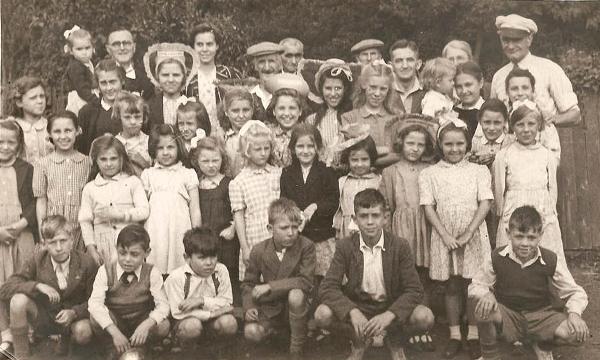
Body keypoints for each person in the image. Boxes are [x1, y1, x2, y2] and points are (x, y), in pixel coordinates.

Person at [315, 189, 435, 360]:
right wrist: (352, 311)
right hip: (360, 306)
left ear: (385, 218)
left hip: (390, 306)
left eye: (375, 215)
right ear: (355, 220)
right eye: (364, 216)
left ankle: (395, 340)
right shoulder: (345, 246)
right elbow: (327, 288)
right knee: (322, 314)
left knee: (425, 317)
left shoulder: (400, 246)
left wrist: (389, 315)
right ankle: (359, 341)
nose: (370, 222)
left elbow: (414, 290)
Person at [469, 206, 589, 360]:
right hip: (509, 315)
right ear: (508, 233)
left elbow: (575, 292)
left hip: (540, 316)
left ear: (540, 235)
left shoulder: (550, 259)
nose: (525, 243)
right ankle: (490, 356)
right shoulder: (497, 257)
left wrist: (574, 314)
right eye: (519, 236)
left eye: (531, 238)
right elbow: (475, 285)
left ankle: (541, 344)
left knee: (577, 335)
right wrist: (486, 294)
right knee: (482, 310)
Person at [419, 117, 493, 359]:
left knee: (473, 286)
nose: (455, 149)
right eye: (448, 144)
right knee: (451, 285)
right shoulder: (429, 173)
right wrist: (446, 235)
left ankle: (472, 334)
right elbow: (429, 207)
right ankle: (454, 335)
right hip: (445, 235)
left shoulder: (479, 171)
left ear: (467, 143)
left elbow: (485, 203)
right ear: (440, 145)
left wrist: (469, 232)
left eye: (460, 143)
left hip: (472, 233)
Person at [0, 215, 98, 360]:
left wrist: (74, 312)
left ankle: (69, 347)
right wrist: (37, 286)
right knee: (18, 300)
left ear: (71, 240)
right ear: (44, 244)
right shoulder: (37, 259)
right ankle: (21, 355)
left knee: (83, 331)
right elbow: (6, 288)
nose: (58, 248)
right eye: (52, 243)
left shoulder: (86, 263)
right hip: (45, 317)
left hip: (73, 321)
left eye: (63, 241)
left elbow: (96, 300)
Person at [490, 14, 581, 155]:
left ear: (529, 39)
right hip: (509, 154)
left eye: (516, 40)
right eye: (505, 40)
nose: (510, 46)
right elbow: (493, 117)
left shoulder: (549, 69)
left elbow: (575, 115)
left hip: (544, 153)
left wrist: (550, 119)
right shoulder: (499, 76)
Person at [242, 198, 316, 359]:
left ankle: (297, 347)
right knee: (251, 332)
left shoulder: (306, 246)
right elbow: (248, 283)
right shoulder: (259, 250)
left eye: (295, 227)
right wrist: (249, 307)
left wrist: (271, 286)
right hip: (271, 309)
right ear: (270, 228)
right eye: (284, 228)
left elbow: (306, 281)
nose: (291, 233)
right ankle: (276, 335)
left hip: (297, 308)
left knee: (296, 294)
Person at [493, 100, 564, 260]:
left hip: (541, 205)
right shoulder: (504, 155)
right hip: (514, 205)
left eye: (531, 124)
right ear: (512, 127)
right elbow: (499, 188)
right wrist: (501, 211)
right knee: (515, 246)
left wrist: (551, 211)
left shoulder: (547, 155)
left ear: (538, 126)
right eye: (520, 124)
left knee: (543, 245)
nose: (526, 129)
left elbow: (552, 187)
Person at [88, 224, 170, 359]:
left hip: (139, 321)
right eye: (122, 253)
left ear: (147, 253)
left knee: (163, 325)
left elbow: (163, 305)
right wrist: (115, 333)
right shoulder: (106, 270)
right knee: (95, 317)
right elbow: (94, 304)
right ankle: (112, 347)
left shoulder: (151, 272)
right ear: (116, 249)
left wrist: (146, 324)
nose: (127, 259)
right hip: (115, 322)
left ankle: (140, 347)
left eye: (134, 254)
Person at [164, 227, 237, 354]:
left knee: (229, 323)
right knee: (192, 326)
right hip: (185, 324)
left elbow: (227, 303)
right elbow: (178, 314)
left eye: (213, 256)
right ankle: (186, 353)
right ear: (187, 258)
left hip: (212, 322)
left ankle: (216, 353)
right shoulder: (177, 277)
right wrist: (211, 314)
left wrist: (202, 301)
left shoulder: (221, 270)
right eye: (202, 257)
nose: (209, 263)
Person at [79, 134, 149, 266]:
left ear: (122, 158)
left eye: (113, 158)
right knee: (107, 280)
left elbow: (144, 211)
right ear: (96, 160)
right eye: (103, 159)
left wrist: (121, 215)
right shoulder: (90, 188)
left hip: (131, 243)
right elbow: (85, 221)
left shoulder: (133, 182)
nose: (109, 164)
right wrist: (91, 248)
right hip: (103, 244)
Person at [281, 124, 339, 282]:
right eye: (300, 146)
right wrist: (297, 213)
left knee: (323, 279)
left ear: (318, 148)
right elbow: (284, 200)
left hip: (322, 236)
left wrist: (316, 206)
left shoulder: (326, 171)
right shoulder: (287, 173)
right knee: (302, 279)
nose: (305, 151)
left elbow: (333, 200)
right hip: (298, 236)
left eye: (310, 146)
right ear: (293, 148)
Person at [142, 124, 201, 275]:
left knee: (180, 269)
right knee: (155, 269)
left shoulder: (188, 174)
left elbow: (195, 208)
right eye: (160, 148)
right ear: (153, 150)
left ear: (178, 147)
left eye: (170, 147)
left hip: (179, 227)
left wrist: (197, 234)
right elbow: (142, 208)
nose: (165, 152)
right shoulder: (148, 174)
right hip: (156, 229)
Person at [229, 120, 281, 281]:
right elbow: (238, 217)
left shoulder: (277, 174)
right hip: (254, 237)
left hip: (277, 234)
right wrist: (244, 247)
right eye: (257, 149)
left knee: (278, 279)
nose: (263, 153)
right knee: (256, 282)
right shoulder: (238, 182)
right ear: (247, 151)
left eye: (266, 148)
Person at [190, 137, 240, 303]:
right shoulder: (196, 185)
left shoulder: (228, 183)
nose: (211, 165)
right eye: (205, 161)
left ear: (222, 160)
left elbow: (238, 209)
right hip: (206, 238)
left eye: (215, 160)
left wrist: (233, 228)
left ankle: (230, 306)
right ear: (197, 162)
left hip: (225, 239)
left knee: (227, 271)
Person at [33, 111, 91, 249]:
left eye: (68, 130)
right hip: (53, 232)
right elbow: (41, 200)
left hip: (80, 230)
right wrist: (43, 236)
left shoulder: (88, 163)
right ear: (50, 134)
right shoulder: (42, 164)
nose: (63, 136)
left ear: (77, 131)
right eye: (57, 131)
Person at [470, 99, 512, 250]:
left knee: (500, 221)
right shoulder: (476, 141)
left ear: (505, 122)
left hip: (502, 188)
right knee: (485, 224)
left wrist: (495, 157)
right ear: (480, 121)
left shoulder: (509, 140)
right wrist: (474, 159)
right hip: (483, 190)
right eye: (487, 122)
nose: (492, 128)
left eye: (497, 123)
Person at [186, 23, 242, 134]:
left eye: (209, 44)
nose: (205, 49)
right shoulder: (187, 78)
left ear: (217, 46)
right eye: (200, 44)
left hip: (227, 133)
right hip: (196, 136)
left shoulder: (230, 74)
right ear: (193, 47)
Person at [0, 119, 36, 289]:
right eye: (1, 142)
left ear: (19, 144)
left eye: (11, 142)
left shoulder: (27, 169)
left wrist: (19, 226)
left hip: (21, 233)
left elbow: (34, 202)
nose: (5, 147)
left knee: (21, 281)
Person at [342, 63, 399, 167]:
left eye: (383, 89)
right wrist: (387, 150)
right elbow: (353, 154)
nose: (377, 93)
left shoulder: (396, 119)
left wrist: (370, 154)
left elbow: (400, 155)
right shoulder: (349, 118)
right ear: (364, 85)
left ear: (389, 90)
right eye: (373, 87)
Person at [505, 67, 561, 163]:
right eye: (514, 89)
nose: (520, 93)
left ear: (533, 90)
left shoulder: (544, 120)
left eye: (525, 88)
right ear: (507, 92)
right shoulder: (502, 120)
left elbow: (554, 158)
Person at [333, 134, 381, 240]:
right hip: (347, 230)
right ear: (348, 160)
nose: (359, 164)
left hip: (371, 228)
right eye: (354, 160)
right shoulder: (342, 182)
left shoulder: (378, 181)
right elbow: (339, 210)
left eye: (364, 159)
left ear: (371, 159)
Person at [306, 59, 353, 167]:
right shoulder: (312, 120)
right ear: (321, 89)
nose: (333, 93)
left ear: (345, 89)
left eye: (338, 88)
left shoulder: (352, 116)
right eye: (328, 88)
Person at [77, 59, 126, 155]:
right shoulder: (87, 112)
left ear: (122, 81)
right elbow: (82, 148)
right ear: (98, 85)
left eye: (113, 82)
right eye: (103, 83)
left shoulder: (133, 108)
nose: (109, 88)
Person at [145, 46, 195, 132]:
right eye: (165, 75)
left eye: (176, 75)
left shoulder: (193, 104)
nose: (171, 80)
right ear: (157, 77)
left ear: (184, 77)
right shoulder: (149, 107)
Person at [266, 73, 310, 167]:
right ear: (274, 111)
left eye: (292, 108)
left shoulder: (307, 134)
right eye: (281, 108)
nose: (287, 113)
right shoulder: (267, 133)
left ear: (300, 111)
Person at [8, 76, 53, 164]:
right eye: (33, 98)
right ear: (19, 102)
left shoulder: (51, 126)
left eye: (42, 96)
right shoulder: (13, 127)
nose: (40, 101)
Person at [105, 28, 154, 100]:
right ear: (108, 49)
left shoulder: (147, 73)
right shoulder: (102, 73)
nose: (122, 48)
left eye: (126, 43)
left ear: (134, 47)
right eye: (116, 44)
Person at [113, 91, 153, 176]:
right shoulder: (114, 143)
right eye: (127, 117)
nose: (133, 122)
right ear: (119, 116)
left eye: (137, 117)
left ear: (144, 116)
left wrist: (143, 162)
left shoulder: (149, 141)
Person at [219, 87, 254, 177]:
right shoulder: (222, 137)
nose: (241, 115)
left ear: (252, 110)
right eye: (235, 111)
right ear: (226, 112)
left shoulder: (259, 133)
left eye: (246, 110)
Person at [63, 25, 98, 115]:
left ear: (93, 48)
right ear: (71, 51)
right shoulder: (75, 67)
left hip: (87, 96)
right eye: (79, 49)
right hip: (80, 98)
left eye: (87, 48)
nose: (84, 52)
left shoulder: (88, 62)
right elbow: (82, 88)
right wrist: (95, 100)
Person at [246, 42, 284, 121]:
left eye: (271, 61)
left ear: (280, 65)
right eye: (261, 62)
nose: (266, 67)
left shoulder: (287, 94)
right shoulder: (248, 96)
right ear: (256, 66)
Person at [389, 39, 425, 114]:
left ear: (418, 64)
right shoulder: (385, 92)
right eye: (399, 61)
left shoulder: (427, 90)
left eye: (410, 60)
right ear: (391, 66)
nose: (405, 66)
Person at [454, 61, 485, 141]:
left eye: (468, 85)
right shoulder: (452, 112)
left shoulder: (488, 111)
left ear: (481, 83)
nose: (464, 91)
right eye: (459, 86)